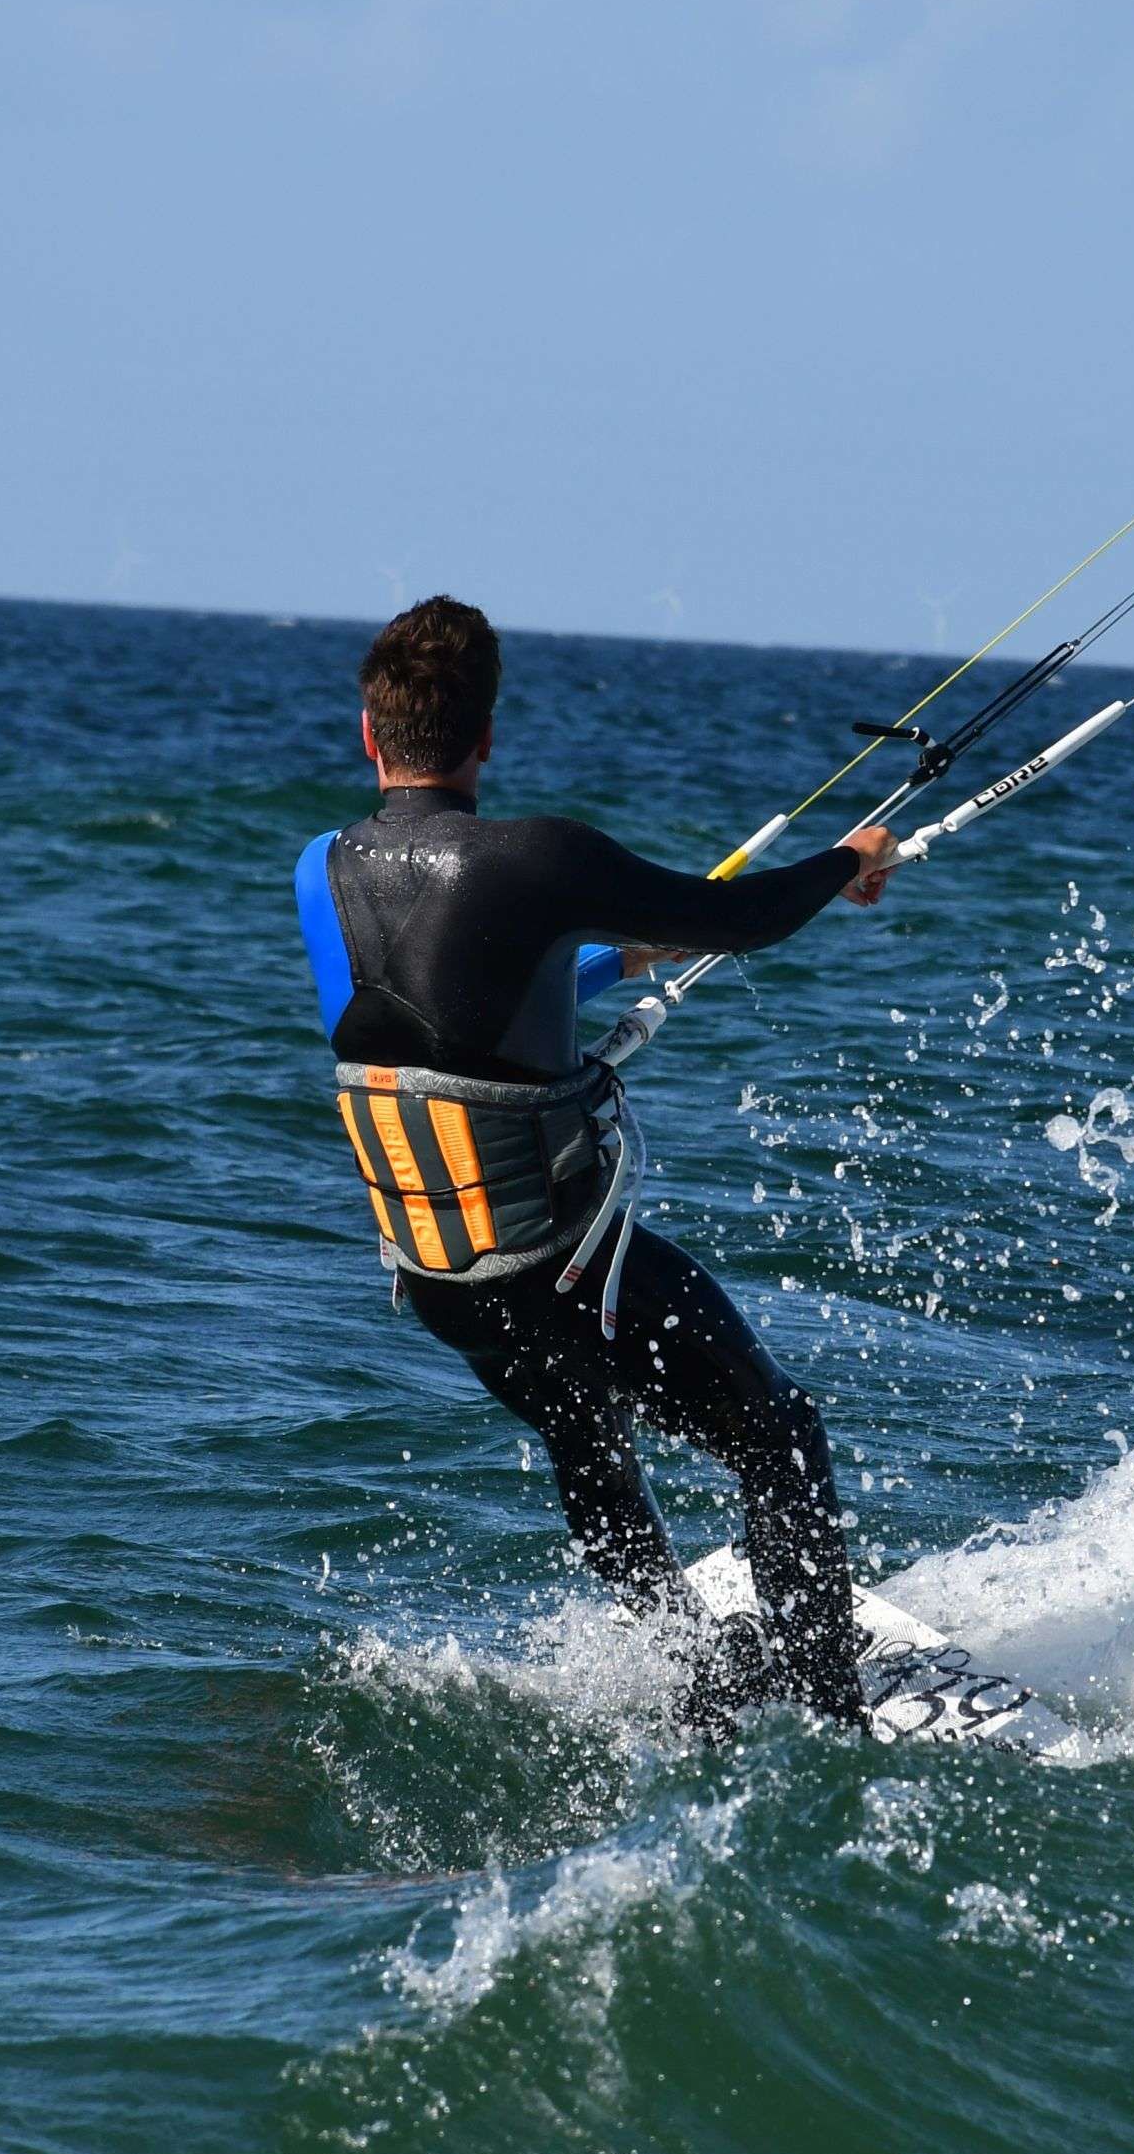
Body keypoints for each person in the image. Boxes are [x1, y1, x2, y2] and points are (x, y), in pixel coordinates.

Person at [295, 595, 896, 1724]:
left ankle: (685, 1673)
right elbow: (743, 916)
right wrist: (847, 858)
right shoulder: (542, 856)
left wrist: (615, 961)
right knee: (778, 1435)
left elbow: (422, 1028)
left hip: (441, 1281)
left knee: (586, 1434)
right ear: (487, 738)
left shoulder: (319, 870)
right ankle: (831, 1717)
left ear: (371, 738)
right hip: (562, 1272)